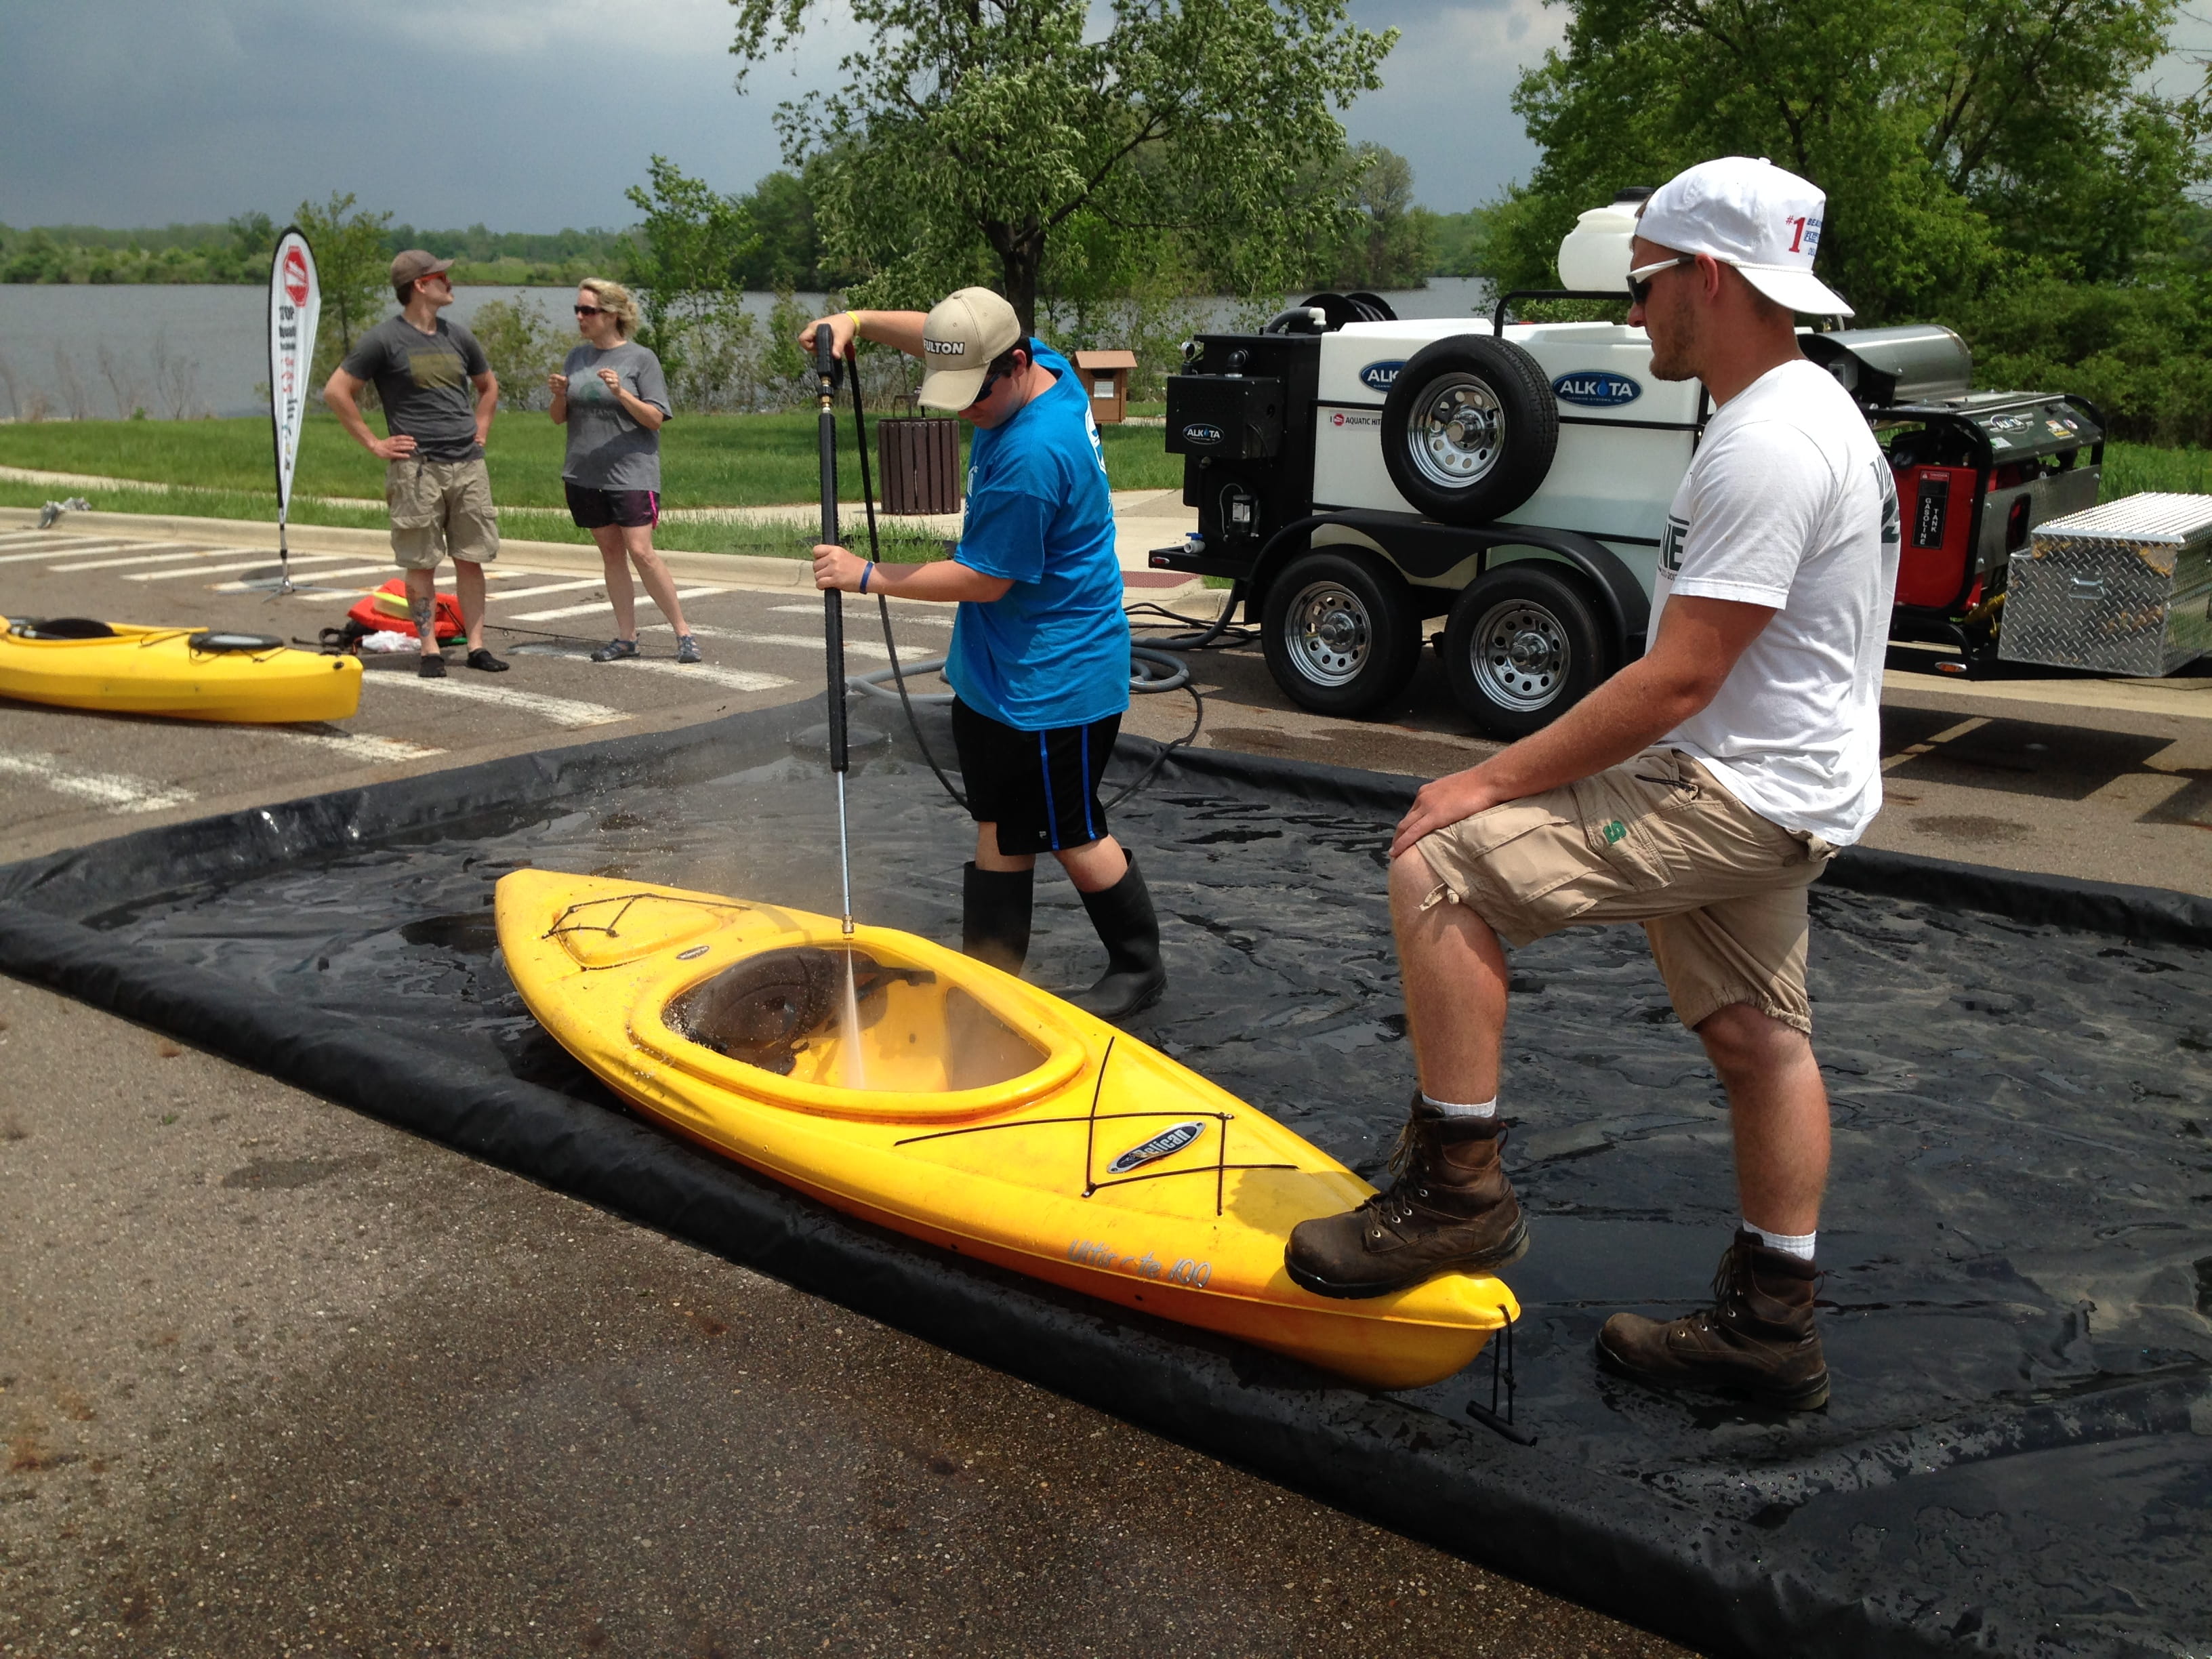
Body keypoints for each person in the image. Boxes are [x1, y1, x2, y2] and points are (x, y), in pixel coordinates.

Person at [1284, 157, 1900, 1413]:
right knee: (1757, 1038)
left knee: (1438, 863)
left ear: (1709, 277)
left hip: (1728, 787)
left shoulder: (1769, 444)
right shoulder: (1806, 408)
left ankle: (1457, 1190)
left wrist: (1482, 780)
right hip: (1788, 783)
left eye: (1644, 283)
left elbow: (1678, 678)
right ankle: (1769, 1328)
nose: (1633, 312)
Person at [802, 287, 1166, 1022]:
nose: (965, 408)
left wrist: (867, 575)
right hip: (1001, 669)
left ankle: (1139, 965)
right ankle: (991, 975)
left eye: (975, 393)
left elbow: (984, 579)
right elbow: (942, 335)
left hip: (1055, 680)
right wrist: (859, 321)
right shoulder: (1040, 367)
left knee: (1070, 832)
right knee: (999, 823)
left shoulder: (1034, 455)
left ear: (1017, 365)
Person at [324, 251, 508, 678]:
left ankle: (477, 647)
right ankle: (429, 651)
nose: (450, 283)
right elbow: (337, 391)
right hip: (417, 470)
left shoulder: (458, 336)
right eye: (441, 276)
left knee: (471, 558)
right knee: (422, 562)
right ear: (420, 286)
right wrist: (374, 443)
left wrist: (481, 429)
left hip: (468, 466)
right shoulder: (384, 339)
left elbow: (489, 386)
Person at [548, 278, 699, 664]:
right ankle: (626, 637)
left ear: (613, 315)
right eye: (578, 310)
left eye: (588, 310)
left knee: (641, 552)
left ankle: (683, 633)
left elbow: (655, 419)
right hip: (584, 474)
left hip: (631, 473)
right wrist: (560, 395)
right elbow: (558, 418)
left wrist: (621, 393)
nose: (580, 317)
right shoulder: (576, 358)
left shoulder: (641, 359)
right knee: (611, 553)